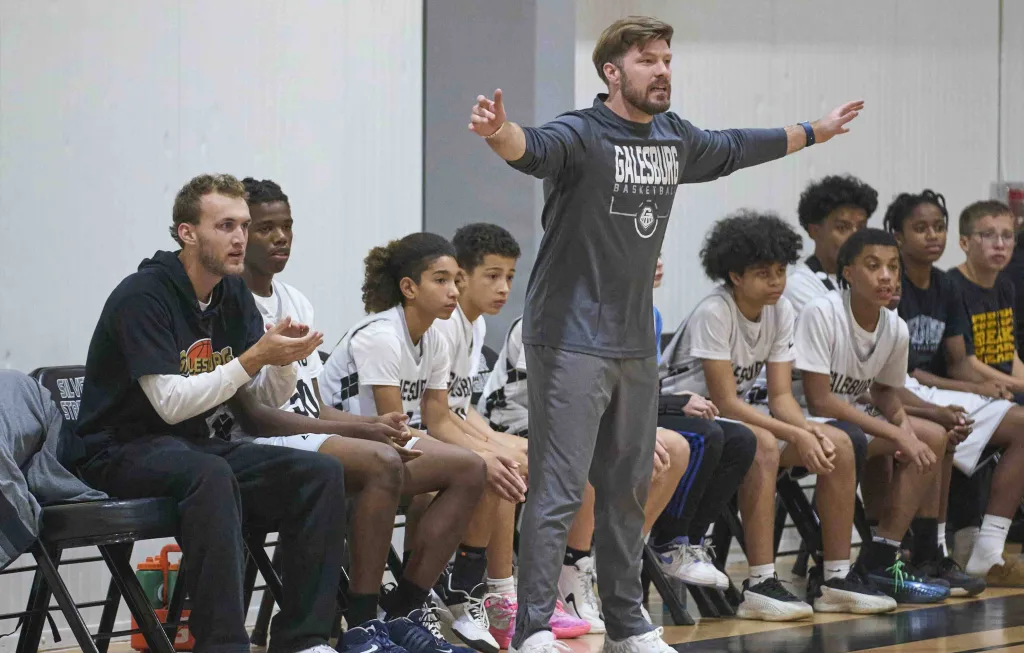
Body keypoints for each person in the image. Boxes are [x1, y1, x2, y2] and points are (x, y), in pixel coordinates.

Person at [469, 14, 864, 653]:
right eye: (647, 60)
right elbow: (531, 147)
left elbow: (737, 146)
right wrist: (498, 133)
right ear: (612, 71)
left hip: (633, 340)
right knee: (561, 488)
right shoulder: (583, 132)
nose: (662, 71)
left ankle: (627, 624)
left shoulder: (674, 137)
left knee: (628, 489)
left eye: (667, 60)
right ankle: (533, 626)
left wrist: (815, 131)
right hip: (567, 334)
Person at [76, 173, 346, 653]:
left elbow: (264, 394)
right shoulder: (143, 295)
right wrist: (253, 358)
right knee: (210, 474)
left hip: (192, 447)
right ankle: (223, 644)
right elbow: (170, 404)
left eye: (243, 225)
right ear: (187, 233)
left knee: (319, 473)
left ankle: (304, 639)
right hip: (116, 450)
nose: (240, 238)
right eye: (225, 226)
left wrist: (283, 361)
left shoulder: (231, 292)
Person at [229, 178, 489, 653]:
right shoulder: (231, 303)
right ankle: (363, 623)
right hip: (263, 445)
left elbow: (311, 404)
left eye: (287, 226)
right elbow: (258, 415)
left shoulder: (296, 300)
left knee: (471, 467)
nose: (281, 237)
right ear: (242, 233)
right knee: (383, 461)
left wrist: (368, 427)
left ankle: (403, 612)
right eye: (265, 228)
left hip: (315, 433)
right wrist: (362, 429)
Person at [661, 212, 894, 617]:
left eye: (781, 271)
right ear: (735, 276)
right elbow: (726, 401)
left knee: (838, 442)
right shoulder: (715, 311)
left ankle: (835, 579)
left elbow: (782, 396)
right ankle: (760, 583)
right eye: (762, 273)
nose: (775, 282)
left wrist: (806, 431)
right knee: (765, 444)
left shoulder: (780, 310)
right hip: (684, 415)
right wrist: (798, 434)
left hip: (732, 417)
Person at [319, 233, 528, 650]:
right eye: (441, 280)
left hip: (385, 450)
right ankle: (421, 603)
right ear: (409, 287)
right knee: (472, 468)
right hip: (338, 447)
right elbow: (397, 428)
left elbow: (438, 417)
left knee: (482, 466)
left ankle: (412, 606)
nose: (453, 291)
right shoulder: (382, 335)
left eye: (455, 281)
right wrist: (478, 455)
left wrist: (486, 452)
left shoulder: (433, 335)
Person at [479, 256, 694, 633]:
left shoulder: (640, 318)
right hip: (518, 420)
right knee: (592, 457)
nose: (654, 263)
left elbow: (629, 394)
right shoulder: (555, 316)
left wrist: (640, 433)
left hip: (581, 421)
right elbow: (559, 402)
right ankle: (571, 568)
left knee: (674, 449)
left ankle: (608, 564)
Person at [424, 223, 589, 651]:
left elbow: (461, 407)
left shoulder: (474, 326)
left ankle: (542, 587)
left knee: (543, 458)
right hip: (413, 434)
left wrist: (496, 442)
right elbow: (437, 414)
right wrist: (495, 448)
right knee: (507, 465)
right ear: (462, 276)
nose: (504, 288)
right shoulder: (444, 326)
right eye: (493, 276)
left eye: (510, 277)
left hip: (443, 428)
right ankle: (503, 594)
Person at [792, 228, 950, 604]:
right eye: (873, 265)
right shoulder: (822, 312)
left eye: (893, 267)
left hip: (848, 422)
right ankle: (835, 571)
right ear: (848, 272)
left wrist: (905, 427)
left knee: (932, 437)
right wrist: (896, 434)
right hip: (799, 420)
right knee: (860, 439)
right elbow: (820, 401)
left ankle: (881, 558)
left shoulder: (895, 327)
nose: (886, 276)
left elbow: (883, 391)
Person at [946, 200, 1024, 581]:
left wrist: (1019, 381)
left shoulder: (1005, 285)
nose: (1000, 244)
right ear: (964, 242)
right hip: (965, 392)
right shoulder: (953, 285)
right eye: (988, 235)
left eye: (1007, 236)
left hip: (1000, 390)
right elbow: (965, 363)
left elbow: (1010, 355)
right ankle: (983, 545)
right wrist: (1018, 385)